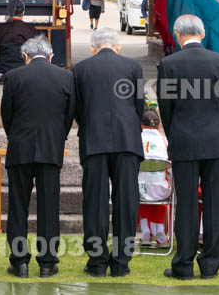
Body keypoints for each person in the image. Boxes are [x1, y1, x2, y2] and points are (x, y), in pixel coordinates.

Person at [157, 14, 219, 281]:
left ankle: (184, 264)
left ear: (177, 35)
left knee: (186, 204)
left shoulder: (168, 64)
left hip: (184, 140)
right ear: (202, 34)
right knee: (215, 204)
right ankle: (211, 264)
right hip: (215, 140)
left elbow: (165, 108)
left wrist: (174, 133)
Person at [1, 36, 76, 278]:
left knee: (17, 207)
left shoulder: (13, 77)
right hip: (50, 148)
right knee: (48, 207)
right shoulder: (65, 77)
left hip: (20, 148)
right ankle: (47, 261)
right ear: (51, 56)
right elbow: (69, 115)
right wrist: (57, 137)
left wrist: (16, 136)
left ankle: (20, 261)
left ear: (25, 56)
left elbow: (7, 114)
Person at [73, 27, 144, 278]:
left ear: (93, 48)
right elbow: (139, 106)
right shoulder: (133, 68)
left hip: (94, 141)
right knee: (127, 201)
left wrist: (90, 125)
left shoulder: (80, 69)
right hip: (127, 141)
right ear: (118, 46)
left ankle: (97, 261)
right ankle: (122, 262)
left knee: (95, 202)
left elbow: (77, 109)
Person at [0, 0, 39, 82]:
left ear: (8, 12)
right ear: (23, 13)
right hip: (26, 71)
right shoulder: (31, 28)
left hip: (2, 71)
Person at [137, 108, 171, 246]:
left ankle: (145, 231)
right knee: (161, 183)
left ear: (141, 124)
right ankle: (160, 232)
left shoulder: (135, 138)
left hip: (139, 189)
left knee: (140, 186)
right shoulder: (165, 141)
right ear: (158, 124)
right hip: (161, 190)